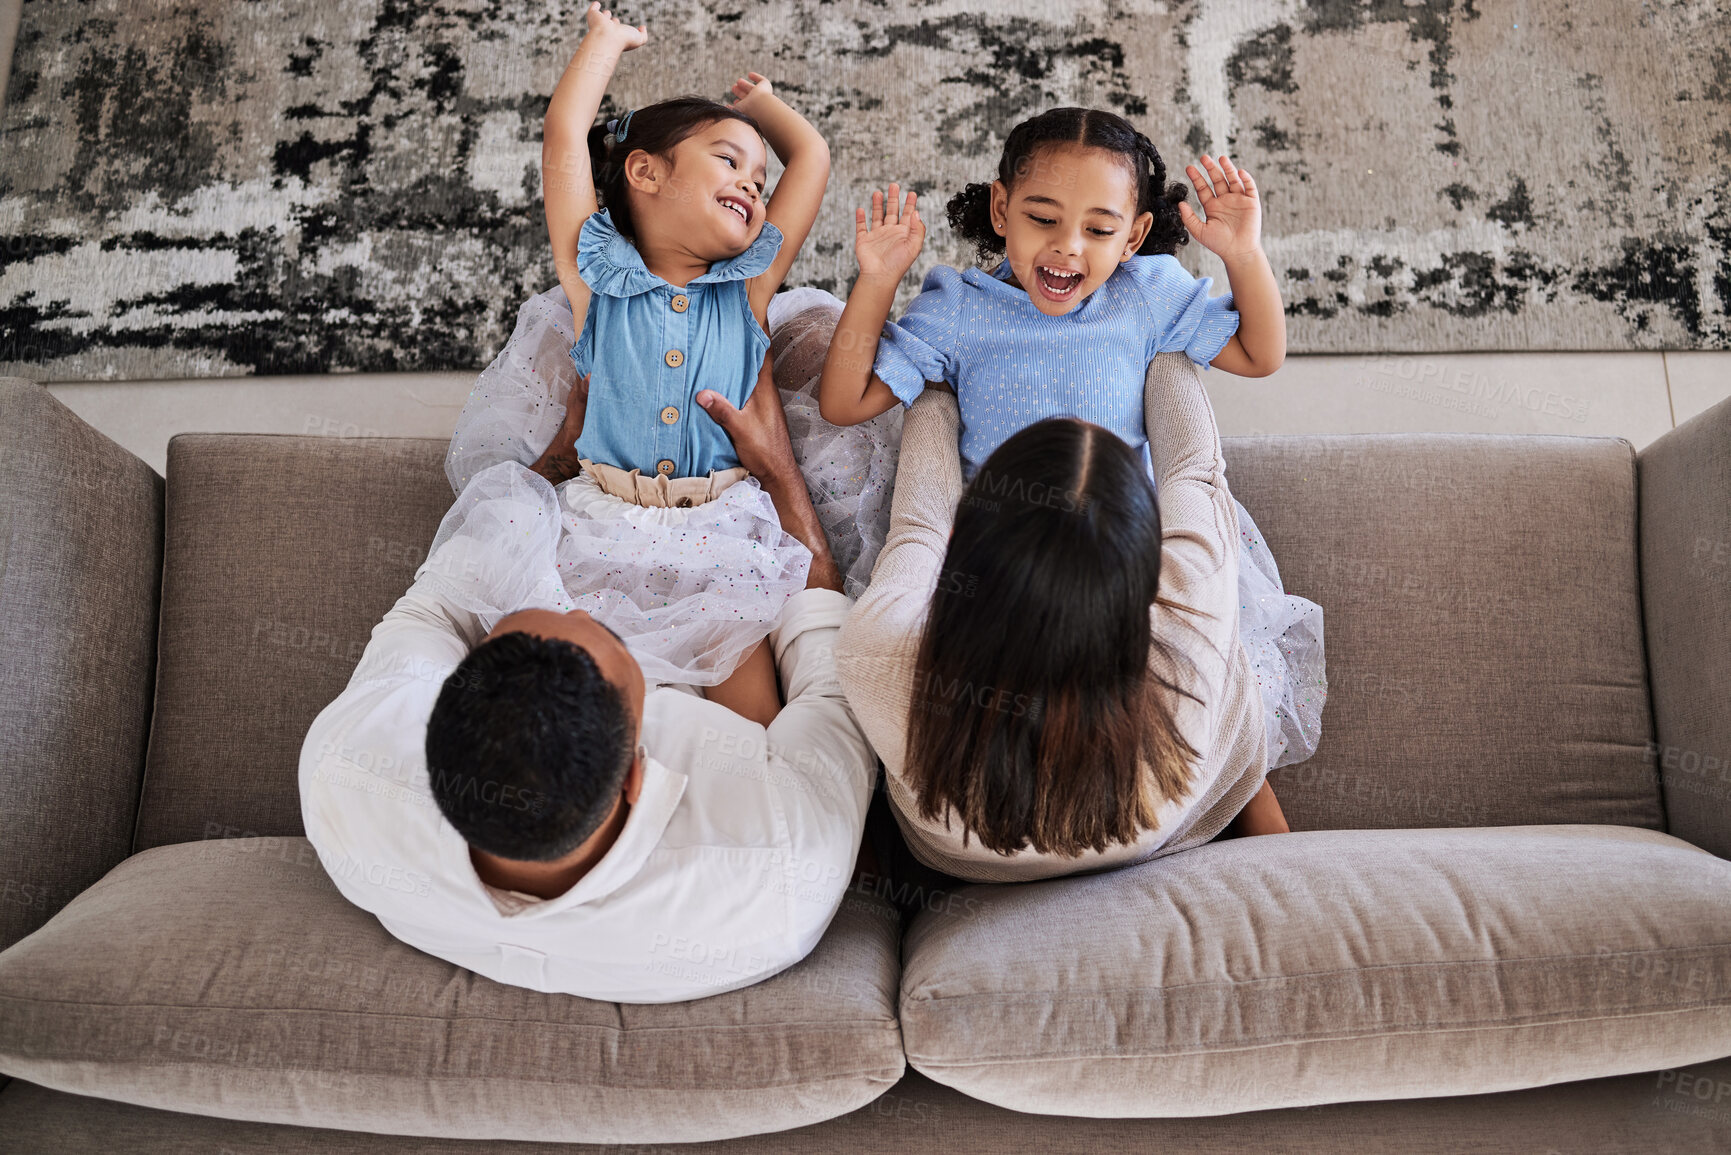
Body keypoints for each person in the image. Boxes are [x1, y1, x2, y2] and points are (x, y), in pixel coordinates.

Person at [819, 106, 1325, 833]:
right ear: (1000, 209)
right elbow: (844, 399)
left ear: (1135, 236)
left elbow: (1258, 353)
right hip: (1004, 576)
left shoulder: (1145, 295)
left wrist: (1242, 254)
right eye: (1042, 219)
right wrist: (876, 280)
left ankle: (1277, 868)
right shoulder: (960, 307)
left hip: (1122, 563)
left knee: (1208, 720)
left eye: (1097, 229)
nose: (1064, 249)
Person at [299, 366, 876, 1003]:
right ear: (639, 768)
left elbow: (437, 603)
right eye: (611, 636)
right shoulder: (780, 863)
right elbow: (833, 682)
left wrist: (555, 461)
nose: (583, 609)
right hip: (738, 720)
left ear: (436, 714)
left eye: (548, 613)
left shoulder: (350, 768)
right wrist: (775, 473)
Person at [445, 3, 835, 729]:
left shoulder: (746, 289)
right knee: (580, 709)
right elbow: (562, 138)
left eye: (757, 176)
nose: (753, 184)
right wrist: (604, 44)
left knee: (752, 721)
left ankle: (736, 823)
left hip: (721, 531)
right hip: (604, 523)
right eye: (729, 160)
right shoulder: (597, 284)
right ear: (644, 173)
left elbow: (809, 162)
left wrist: (765, 110)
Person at [836, 354, 1297, 884]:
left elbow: (921, 524)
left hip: (971, 860)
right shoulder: (1191, 601)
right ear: (1148, 566)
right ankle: (1255, 799)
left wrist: (936, 382)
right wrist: (1161, 324)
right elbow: (1194, 468)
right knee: (1227, 632)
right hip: (1158, 823)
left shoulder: (879, 646)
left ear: (964, 545)